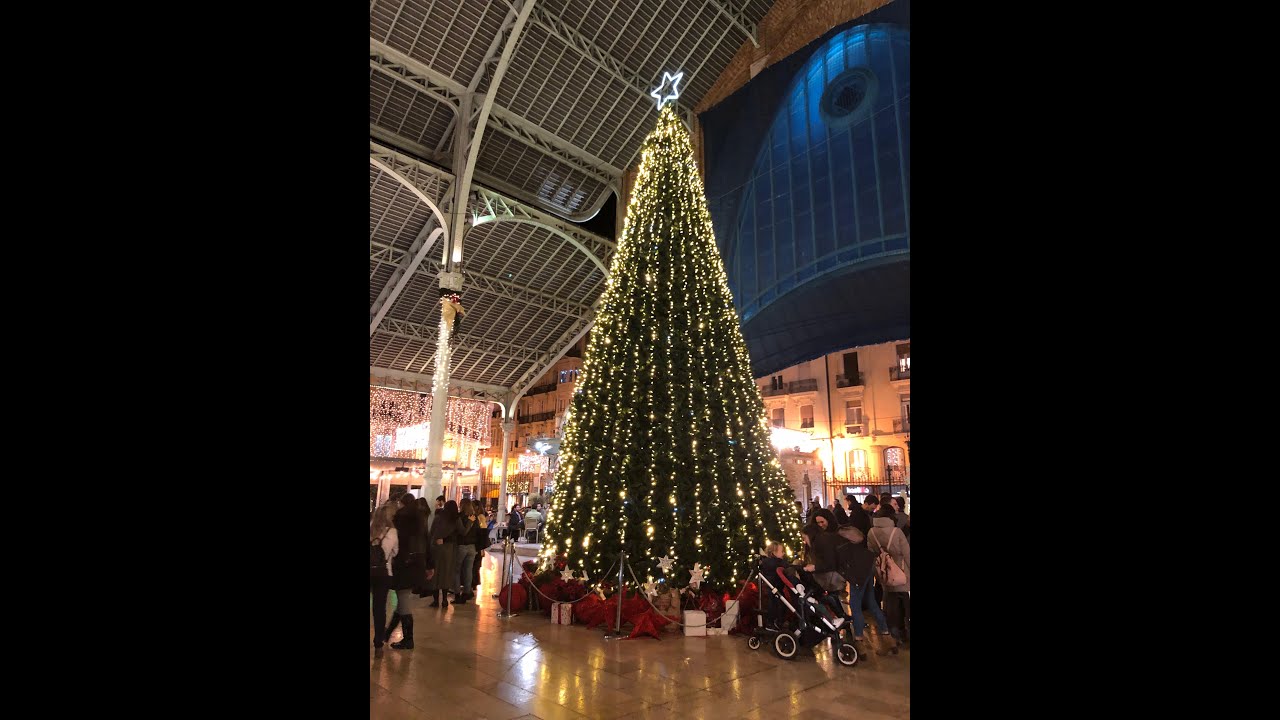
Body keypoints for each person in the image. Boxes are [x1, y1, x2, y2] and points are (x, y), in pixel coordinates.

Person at [387, 494, 434, 651]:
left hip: (404, 564)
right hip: (418, 563)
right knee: (403, 598)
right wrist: (430, 565)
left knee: (403, 599)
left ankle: (408, 639)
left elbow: (399, 544)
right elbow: (427, 542)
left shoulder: (401, 518)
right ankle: (388, 633)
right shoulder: (420, 519)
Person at [869, 507, 909, 652]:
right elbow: (907, 553)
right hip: (902, 573)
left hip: (884, 574)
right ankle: (905, 634)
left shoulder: (871, 532)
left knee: (889, 605)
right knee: (905, 604)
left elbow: (871, 553)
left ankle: (893, 635)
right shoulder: (897, 532)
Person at [370, 502, 398, 658]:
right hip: (384, 572)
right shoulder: (392, 532)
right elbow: (396, 551)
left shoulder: (371, 528)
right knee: (379, 608)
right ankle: (378, 642)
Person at [429, 500, 460, 608]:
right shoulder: (456, 520)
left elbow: (432, 532)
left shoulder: (439, 518)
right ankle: (444, 600)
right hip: (450, 549)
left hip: (437, 548)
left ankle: (436, 600)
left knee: (436, 574)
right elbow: (459, 534)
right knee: (446, 573)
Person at [454, 499, 482, 604]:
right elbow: (479, 532)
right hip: (472, 547)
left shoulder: (459, 516)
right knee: (468, 570)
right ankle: (467, 592)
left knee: (456, 571)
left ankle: (457, 593)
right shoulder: (475, 517)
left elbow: (461, 532)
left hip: (461, 546)